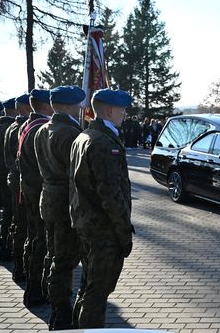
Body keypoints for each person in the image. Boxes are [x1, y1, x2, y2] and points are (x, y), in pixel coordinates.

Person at [69, 89, 134, 328]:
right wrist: (124, 232)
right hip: (103, 230)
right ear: (109, 110)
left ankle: (77, 328)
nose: (125, 114)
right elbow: (111, 196)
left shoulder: (84, 136)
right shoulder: (104, 143)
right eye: (122, 109)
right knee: (97, 294)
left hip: (86, 225)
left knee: (88, 287)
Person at [34, 86, 86, 329]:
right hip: (65, 201)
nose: (79, 108)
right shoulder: (69, 133)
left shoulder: (42, 130)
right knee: (64, 261)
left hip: (49, 197)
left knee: (53, 254)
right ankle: (61, 312)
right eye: (76, 104)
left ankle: (53, 303)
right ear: (65, 106)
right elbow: (77, 174)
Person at [18, 89, 53, 307]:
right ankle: (35, 290)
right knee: (40, 242)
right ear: (45, 105)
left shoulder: (26, 125)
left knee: (35, 239)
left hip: (29, 190)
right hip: (37, 191)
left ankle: (33, 286)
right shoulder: (40, 128)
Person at [4, 94, 32, 282]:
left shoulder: (11, 127)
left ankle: (17, 264)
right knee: (23, 225)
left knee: (17, 221)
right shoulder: (22, 128)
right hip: (21, 180)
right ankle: (21, 268)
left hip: (13, 177)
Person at [0, 98, 17, 261]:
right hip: (6, 176)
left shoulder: (2, 127)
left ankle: (3, 243)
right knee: (10, 213)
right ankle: (5, 246)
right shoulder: (10, 128)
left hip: (3, 175)